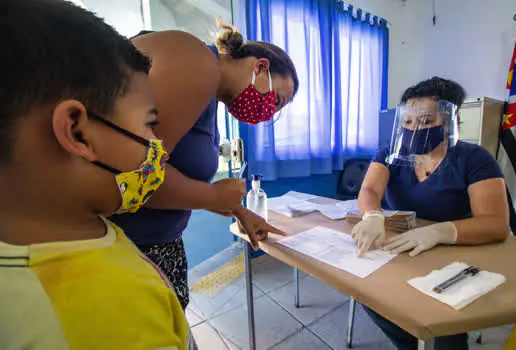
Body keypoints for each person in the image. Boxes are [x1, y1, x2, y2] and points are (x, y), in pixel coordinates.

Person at [0, 0, 194, 348]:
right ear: (77, 131)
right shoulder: (113, 312)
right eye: (150, 124)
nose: (158, 149)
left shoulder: (82, 227)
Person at [110, 22, 299, 309]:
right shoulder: (194, 61)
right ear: (260, 67)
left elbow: (167, 173)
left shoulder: (209, 102)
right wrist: (213, 196)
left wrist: (237, 209)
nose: (269, 112)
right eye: (277, 101)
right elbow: (135, 174)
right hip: (125, 247)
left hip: (158, 243)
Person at [352, 77, 509, 350]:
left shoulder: (474, 158)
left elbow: (495, 224)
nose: (414, 129)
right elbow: (369, 191)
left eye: (425, 121)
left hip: (455, 253)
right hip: (402, 247)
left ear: (449, 121)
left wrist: (441, 231)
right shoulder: (390, 154)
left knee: (443, 330)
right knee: (371, 295)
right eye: (407, 122)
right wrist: (373, 217)